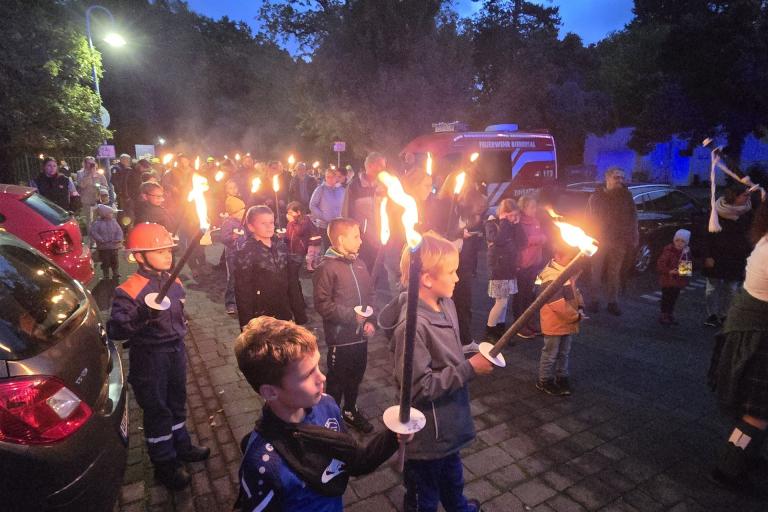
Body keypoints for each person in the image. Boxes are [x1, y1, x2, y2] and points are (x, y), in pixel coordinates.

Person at [233, 316, 403, 511]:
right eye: (307, 374)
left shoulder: (327, 405)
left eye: (318, 366)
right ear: (270, 392)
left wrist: (395, 434)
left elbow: (355, 460)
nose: (322, 377)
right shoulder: (264, 464)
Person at [380, 231, 493, 512]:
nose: (457, 278)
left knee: (453, 480)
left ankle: (459, 508)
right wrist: (469, 368)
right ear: (428, 278)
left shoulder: (446, 304)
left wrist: (470, 356)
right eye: (451, 272)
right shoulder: (412, 327)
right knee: (423, 495)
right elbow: (418, 388)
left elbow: (448, 354)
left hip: (449, 426)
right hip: (429, 434)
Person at [108, 223, 210, 490]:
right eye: (159, 251)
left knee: (177, 401)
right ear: (139, 256)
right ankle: (164, 463)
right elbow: (116, 329)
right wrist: (142, 314)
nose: (168, 256)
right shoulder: (128, 290)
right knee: (157, 408)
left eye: (169, 250)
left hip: (175, 351)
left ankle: (181, 444)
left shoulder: (173, 280)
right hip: (150, 358)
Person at [708, 200, 768, 495]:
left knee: (757, 411)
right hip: (755, 335)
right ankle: (727, 467)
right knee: (756, 412)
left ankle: (748, 454)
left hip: (752, 330)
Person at [313, 218, 375, 433]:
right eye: (355, 236)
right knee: (337, 379)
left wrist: (369, 321)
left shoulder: (359, 263)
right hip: (341, 338)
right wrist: (351, 317)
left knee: (357, 374)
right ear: (341, 239)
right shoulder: (327, 267)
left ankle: (350, 410)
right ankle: (329, 418)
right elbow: (322, 304)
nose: (360, 240)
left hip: (360, 337)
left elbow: (369, 295)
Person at [233, 205, 307, 329]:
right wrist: (246, 325)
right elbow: (242, 291)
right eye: (263, 223)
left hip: (284, 311)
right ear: (251, 227)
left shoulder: (281, 246)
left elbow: (292, 281)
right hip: (262, 316)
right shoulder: (246, 252)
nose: (269, 226)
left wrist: (299, 313)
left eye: (271, 222)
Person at [585, 167, 638, 316]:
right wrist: (588, 238)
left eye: (622, 177)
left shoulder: (626, 196)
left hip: (618, 240)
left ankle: (612, 302)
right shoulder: (596, 196)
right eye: (616, 177)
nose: (620, 181)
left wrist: (634, 235)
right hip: (598, 240)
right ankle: (594, 300)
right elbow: (588, 218)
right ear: (607, 178)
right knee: (596, 272)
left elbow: (633, 217)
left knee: (614, 273)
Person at [536, 243, 585, 396]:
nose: (573, 262)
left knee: (564, 352)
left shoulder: (565, 271)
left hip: (566, 321)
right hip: (555, 322)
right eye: (570, 258)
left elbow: (574, 291)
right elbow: (556, 304)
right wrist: (575, 316)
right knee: (550, 353)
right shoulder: (551, 276)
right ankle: (544, 380)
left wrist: (581, 306)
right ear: (557, 256)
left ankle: (561, 376)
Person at [703, 182, 754, 327]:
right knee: (712, 289)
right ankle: (712, 314)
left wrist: (749, 260)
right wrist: (707, 255)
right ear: (735, 196)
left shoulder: (747, 213)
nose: (747, 198)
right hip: (716, 256)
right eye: (745, 195)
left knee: (730, 289)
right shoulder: (716, 211)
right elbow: (706, 235)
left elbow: (750, 237)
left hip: (736, 258)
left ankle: (725, 314)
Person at [484, 199, 526, 341]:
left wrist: (517, 224)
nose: (514, 218)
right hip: (499, 268)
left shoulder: (512, 225)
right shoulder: (491, 224)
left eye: (516, 215)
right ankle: (489, 331)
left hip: (509, 267)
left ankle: (499, 330)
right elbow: (499, 240)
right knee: (500, 302)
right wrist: (505, 222)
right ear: (503, 214)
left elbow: (523, 242)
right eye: (512, 215)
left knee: (504, 303)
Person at [342, 152, 384, 269]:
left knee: (378, 272)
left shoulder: (384, 185)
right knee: (362, 270)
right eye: (380, 165)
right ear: (369, 166)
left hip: (381, 239)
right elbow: (346, 214)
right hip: (362, 240)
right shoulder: (354, 186)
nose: (383, 169)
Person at [515, 196, 548, 338]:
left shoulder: (535, 221)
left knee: (530, 295)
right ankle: (519, 326)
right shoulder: (519, 222)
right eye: (532, 207)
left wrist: (542, 238)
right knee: (520, 296)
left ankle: (529, 322)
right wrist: (540, 239)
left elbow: (541, 236)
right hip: (523, 264)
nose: (535, 210)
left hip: (534, 262)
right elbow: (523, 241)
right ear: (523, 208)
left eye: (535, 207)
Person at [656, 229, 692, 326]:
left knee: (673, 298)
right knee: (666, 297)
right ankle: (664, 314)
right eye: (677, 240)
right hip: (667, 280)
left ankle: (669, 313)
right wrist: (669, 271)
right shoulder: (668, 251)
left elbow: (686, 269)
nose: (679, 243)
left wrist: (683, 272)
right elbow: (661, 264)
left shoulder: (686, 253)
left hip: (678, 281)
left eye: (682, 241)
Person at [220, 195, 247, 315]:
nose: (244, 212)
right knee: (233, 278)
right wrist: (233, 237)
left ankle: (243, 299)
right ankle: (230, 302)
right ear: (233, 213)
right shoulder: (228, 223)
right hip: (232, 255)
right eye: (242, 210)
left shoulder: (243, 221)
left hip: (243, 253)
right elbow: (224, 238)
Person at [309, 168, 345, 250]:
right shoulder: (320, 189)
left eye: (332, 176)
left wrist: (343, 218)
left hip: (338, 225)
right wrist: (323, 216)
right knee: (327, 248)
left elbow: (345, 205)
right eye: (327, 177)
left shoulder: (342, 190)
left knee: (338, 248)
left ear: (336, 177)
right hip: (325, 226)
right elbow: (312, 205)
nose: (330, 179)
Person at [89, 204, 123, 280]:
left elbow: (119, 231)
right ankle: (106, 274)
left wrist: (118, 238)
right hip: (103, 247)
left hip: (114, 245)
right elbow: (94, 232)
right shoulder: (97, 223)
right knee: (105, 261)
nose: (112, 215)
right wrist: (100, 239)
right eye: (110, 213)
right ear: (104, 214)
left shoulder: (114, 222)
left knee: (115, 260)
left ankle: (115, 272)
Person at [286, 201, 320, 272]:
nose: (288, 215)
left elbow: (299, 232)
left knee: (298, 265)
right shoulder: (291, 222)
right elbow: (289, 234)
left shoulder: (305, 221)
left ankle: (306, 271)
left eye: (291, 212)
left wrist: (291, 222)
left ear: (298, 212)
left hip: (300, 249)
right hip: (292, 248)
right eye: (288, 213)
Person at [75, 156, 109, 225]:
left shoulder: (99, 174)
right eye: (88, 163)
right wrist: (89, 174)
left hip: (98, 201)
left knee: (100, 221)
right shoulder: (80, 173)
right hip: (87, 201)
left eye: (92, 163)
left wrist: (101, 188)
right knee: (90, 222)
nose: (91, 165)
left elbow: (106, 186)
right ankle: (91, 235)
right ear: (84, 164)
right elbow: (82, 185)